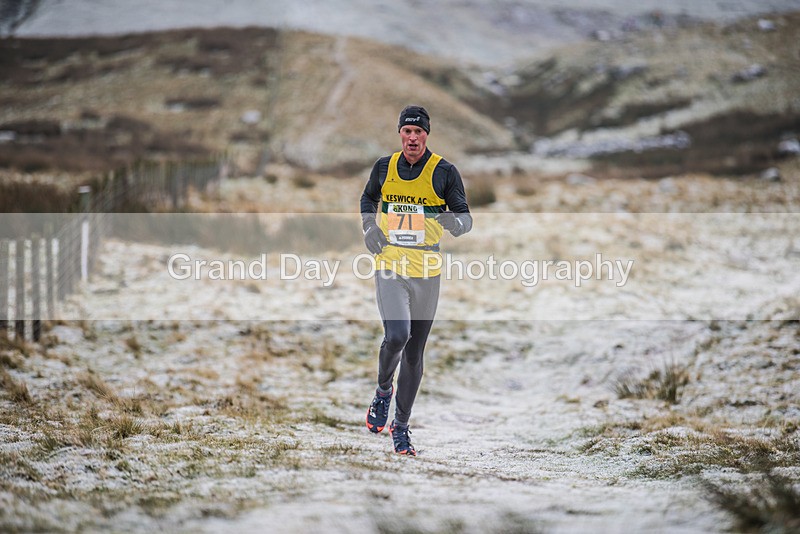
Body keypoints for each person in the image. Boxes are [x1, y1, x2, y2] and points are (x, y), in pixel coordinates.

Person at [360, 105, 472, 456]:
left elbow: (466, 218)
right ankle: (382, 393)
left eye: (418, 132)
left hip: (427, 271)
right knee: (396, 336)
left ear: (426, 135)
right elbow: (368, 198)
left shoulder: (444, 172)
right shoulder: (384, 167)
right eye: (406, 132)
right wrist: (368, 227)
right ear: (399, 134)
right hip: (391, 264)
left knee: (414, 353)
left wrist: (455, 223)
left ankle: (401, 427)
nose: (412, 138)